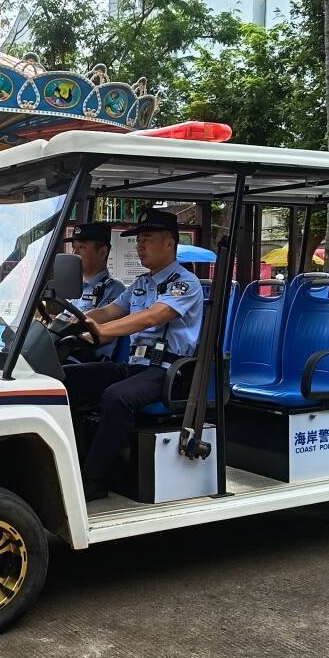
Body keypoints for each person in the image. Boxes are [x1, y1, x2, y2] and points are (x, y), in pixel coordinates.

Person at [63, 210, 204, 501]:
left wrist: (101, 331)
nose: (139, 246)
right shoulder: (141, 284)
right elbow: (108, 311)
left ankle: (93, 480)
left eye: (146, 239)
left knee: (117, 397)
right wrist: (72, 321)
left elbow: (152, 317)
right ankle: (67, 464)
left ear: (169, 243)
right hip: (136, 366)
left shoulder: (185, 283)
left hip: (169, 372)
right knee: (66, 379)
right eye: (138, 240)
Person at [67, 222, 125, 360]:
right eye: (74, 248)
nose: (75, 253)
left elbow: (107, 335)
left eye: (82, 248)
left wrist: (70, 340)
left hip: (88, 360)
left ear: (102, 252)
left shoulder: (115, 290)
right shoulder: (73, 287)